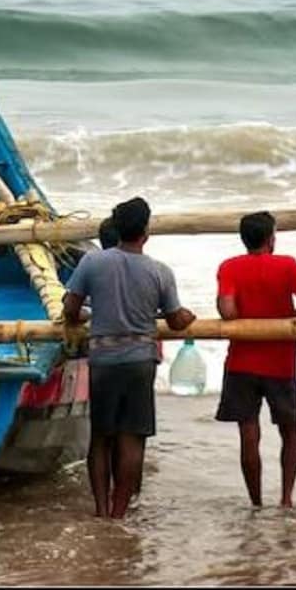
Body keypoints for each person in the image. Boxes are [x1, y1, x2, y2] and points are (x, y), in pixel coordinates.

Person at [63, 197, 195, 519]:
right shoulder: (160, 271)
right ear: (146, 232)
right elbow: (176, 319)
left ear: (116, 229)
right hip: (140, 361)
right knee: (132, 438)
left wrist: (85, 316)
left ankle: (101, 509)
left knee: (101, 438)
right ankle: (120, 512)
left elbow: (70, 308)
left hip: (103, 359)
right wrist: (187, 317)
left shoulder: (93, 263)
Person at [215, 210, 296, 509]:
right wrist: (288, 317)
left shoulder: (229, 266)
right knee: (290, 431)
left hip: (241, 361)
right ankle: (285, 499)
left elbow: (228, 312)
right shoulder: (287, 265)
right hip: (280, 362)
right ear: (271, 238)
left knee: (248, 433)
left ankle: (256, 502)